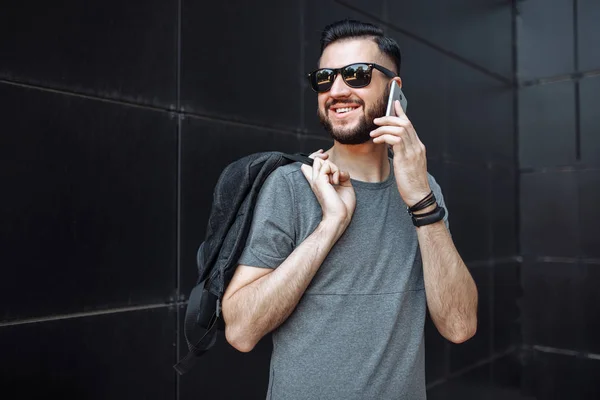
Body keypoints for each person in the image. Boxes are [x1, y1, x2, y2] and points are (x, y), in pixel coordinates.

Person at [221, 19, 478, 400]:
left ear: (394, 90)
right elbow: (240, 331)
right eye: (325, 78)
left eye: (356, 74)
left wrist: (422, 199)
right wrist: (330, 224)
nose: (337, 90)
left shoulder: (424, 190)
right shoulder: (292, 186)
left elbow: (459, 325)